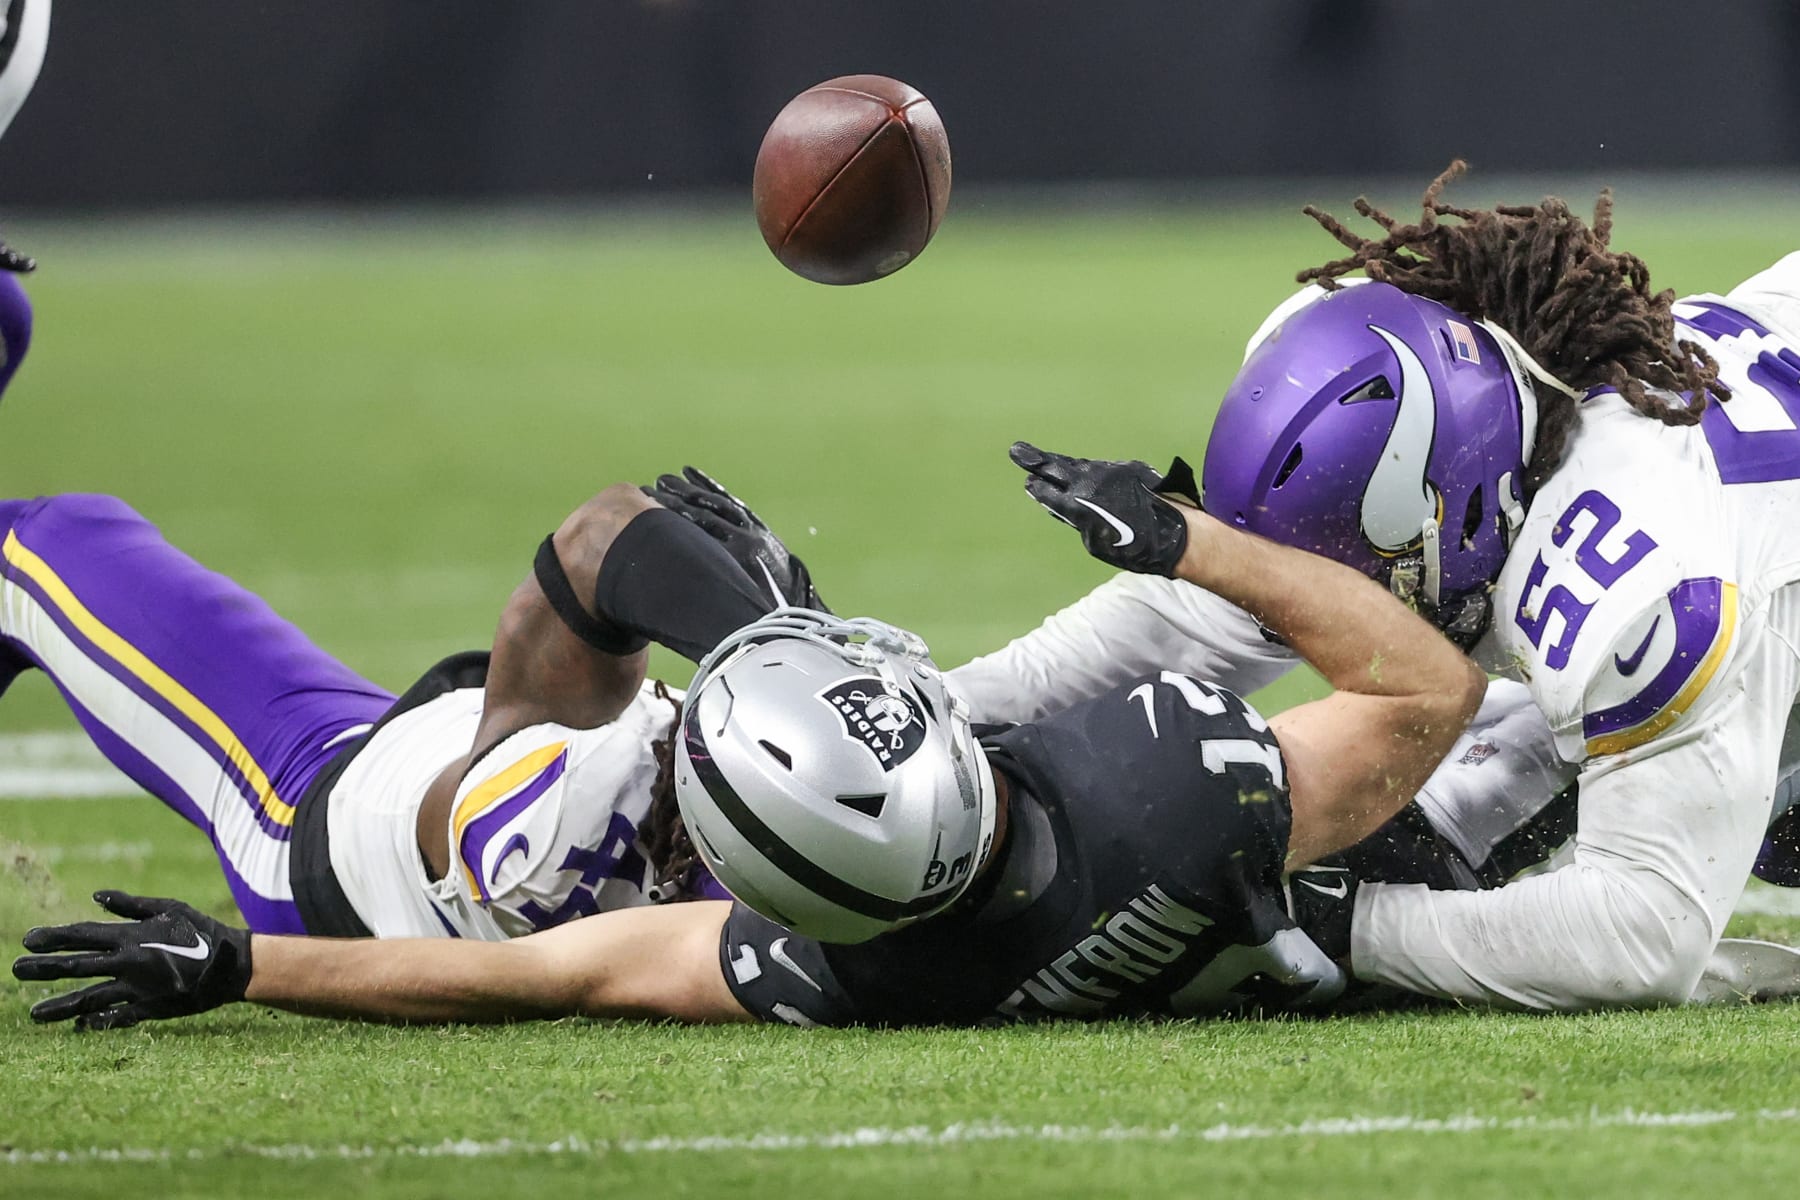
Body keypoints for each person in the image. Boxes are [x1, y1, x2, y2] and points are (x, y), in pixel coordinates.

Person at [13, 446, 1495, 1030]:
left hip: (328, 822)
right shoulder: (869, 915)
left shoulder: (543, 840)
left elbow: (516, 967)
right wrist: (783, 640)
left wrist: (243, 963)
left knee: (49, 543)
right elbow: (1418, 699)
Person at [956, 163, 1800, 1011]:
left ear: (1448, 519)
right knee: (1467, 794)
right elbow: (1213, 617)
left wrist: (1346, 922)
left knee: (1746, 812)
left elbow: (1640, 937)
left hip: (1750, 582)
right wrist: (940, 707)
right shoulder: (1486, 379)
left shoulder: (1632, 584)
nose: (1304, 590)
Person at [0, 484, 792, 958]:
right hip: (421, 769)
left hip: (302, 814)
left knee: (37, 546)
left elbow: (600, 538)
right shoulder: (788, 871)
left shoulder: (553, 826)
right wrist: (800, 636)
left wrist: (773, 640)